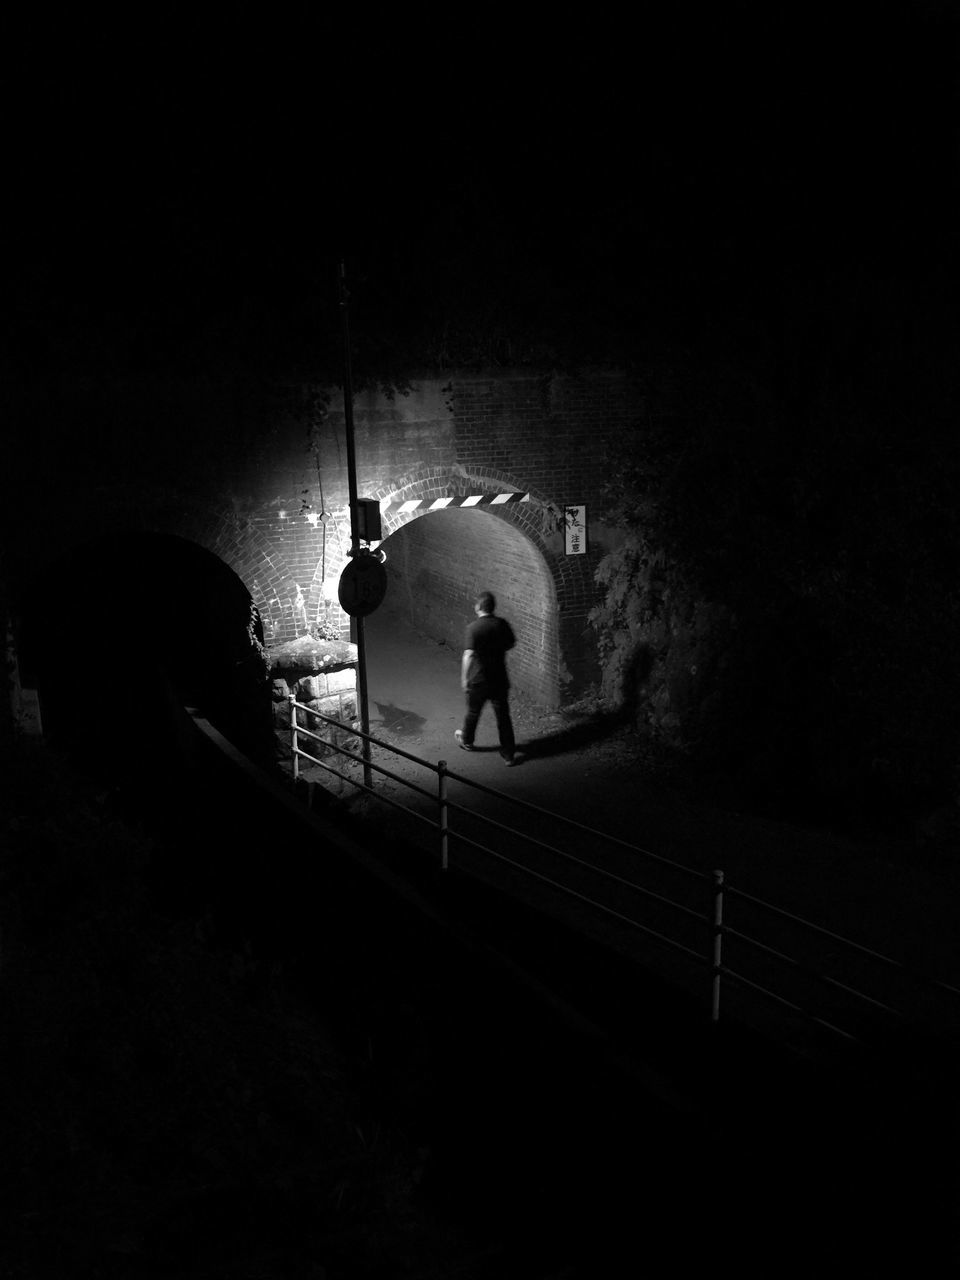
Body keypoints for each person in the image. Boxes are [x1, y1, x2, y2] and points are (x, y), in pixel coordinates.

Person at [455, 591, 524, 766]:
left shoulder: (473, 628)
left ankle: (468, 741)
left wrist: (464, 678)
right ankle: (509, 754)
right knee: (503, 717)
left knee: (473, 712)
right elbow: (510, 643)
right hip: (499, 679)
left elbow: (469, 655)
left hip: (479, 680)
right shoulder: (502, 624)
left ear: (479, 607)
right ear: (492, 607)